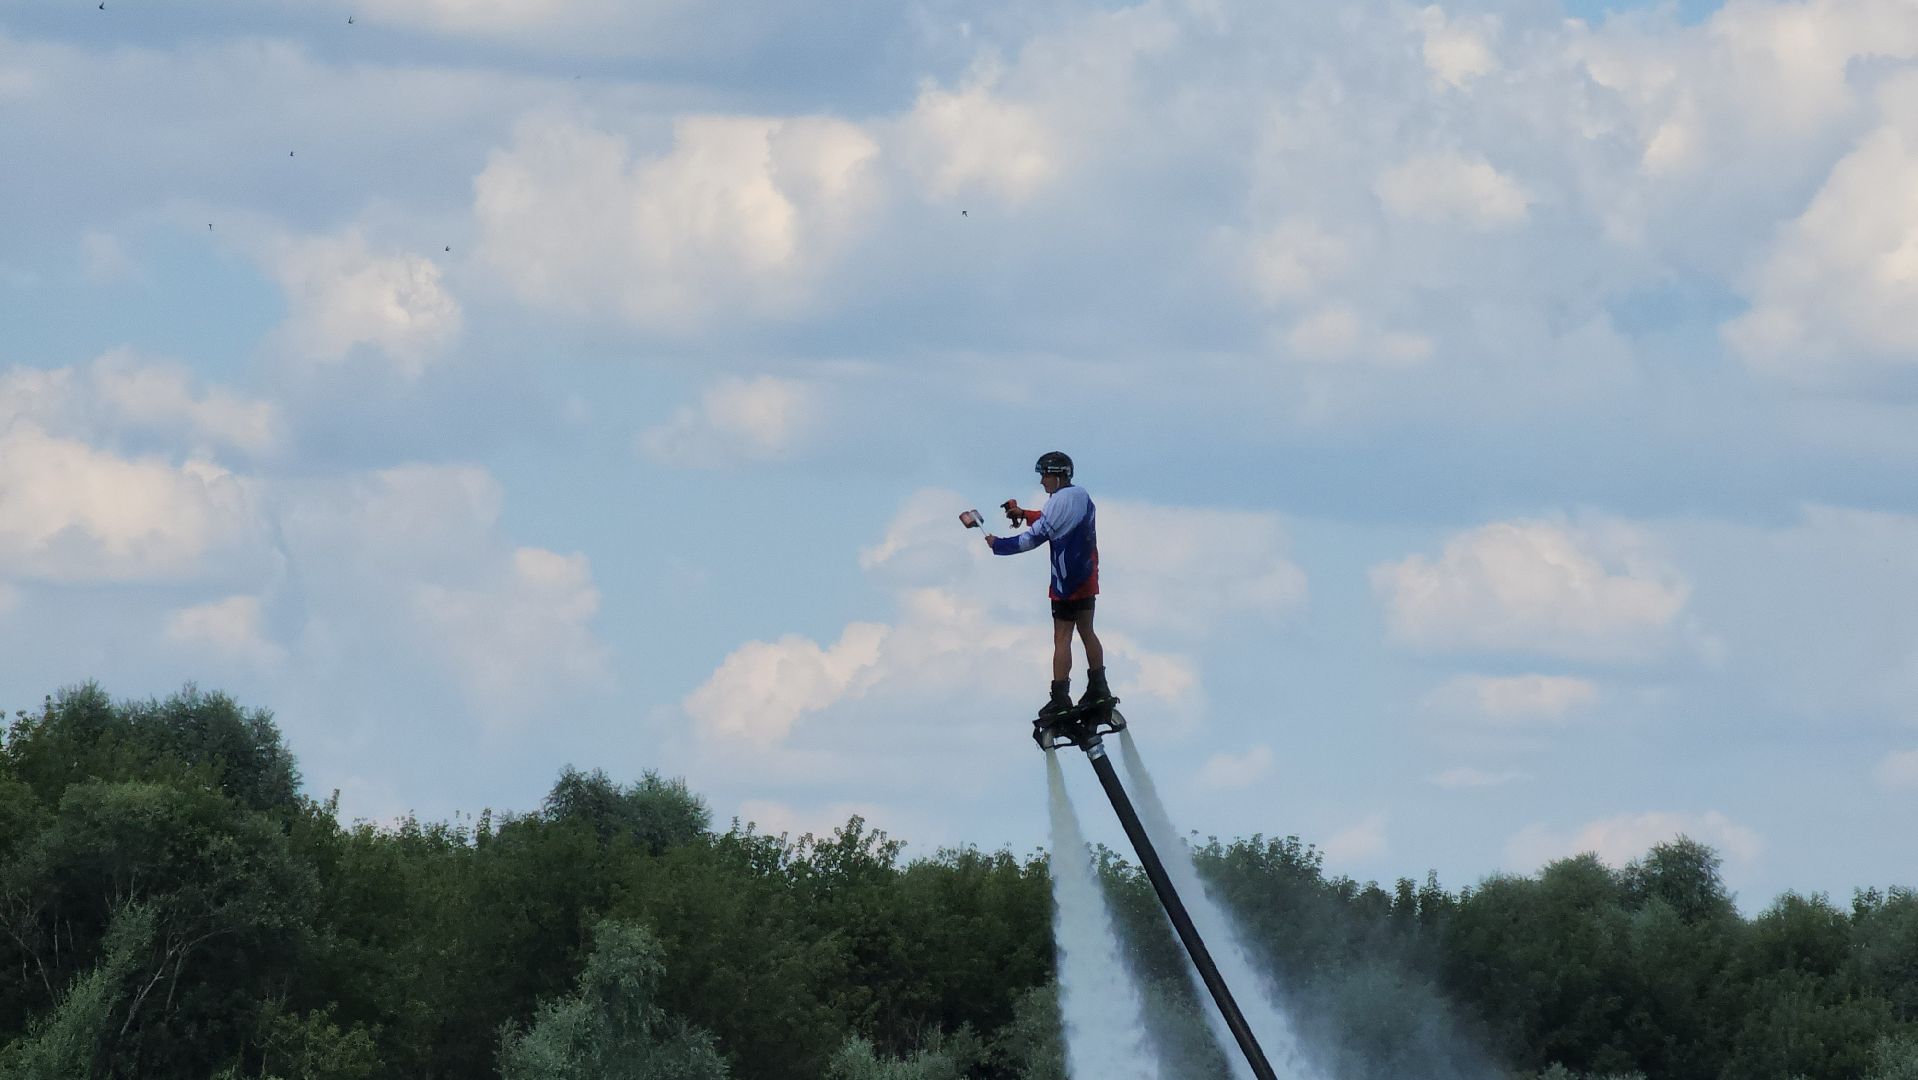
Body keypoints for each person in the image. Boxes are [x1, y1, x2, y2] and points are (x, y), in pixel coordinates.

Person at [984, 451, 1111, 719]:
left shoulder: (1057, 502)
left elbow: (1035, 537)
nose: (1042, 481)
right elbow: (1051, 519)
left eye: (1045, 475)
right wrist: (1024, 513)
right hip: (1087, 578)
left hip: (1065, 583)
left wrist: (999, 545)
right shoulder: (1081, 496)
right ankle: (1100, 688)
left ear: (1059, 475)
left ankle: (1060, 697)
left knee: (1062, 638)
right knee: (1088, 632)